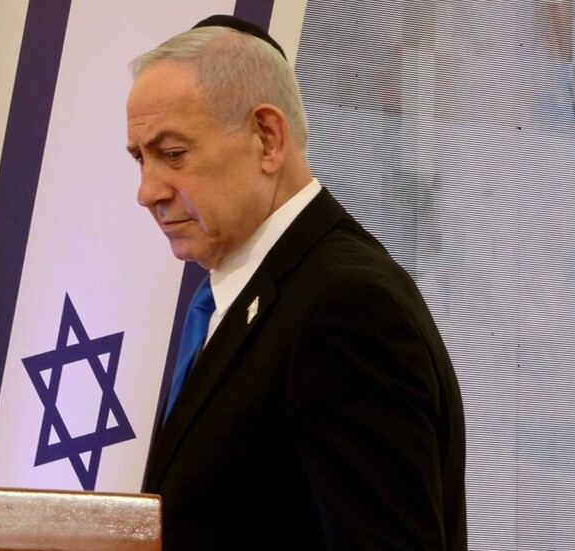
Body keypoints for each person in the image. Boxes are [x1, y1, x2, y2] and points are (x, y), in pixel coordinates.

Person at [125, 14, 467, 550]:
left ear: (267, 138)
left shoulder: (346, 307)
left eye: (173, 154)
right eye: (139, 158)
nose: (148, 191)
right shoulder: (252, 294)